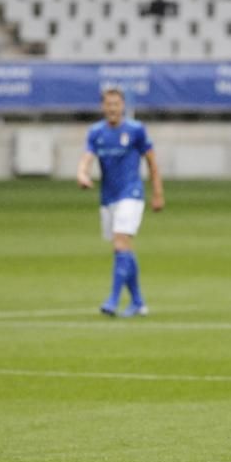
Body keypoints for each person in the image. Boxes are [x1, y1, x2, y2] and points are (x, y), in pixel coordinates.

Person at [76, 87, 164, 317]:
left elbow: (152, 162)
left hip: (131, 194)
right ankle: (138, 301)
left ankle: (112, 300)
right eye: (108, 104)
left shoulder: (136, 130)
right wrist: (82, 174)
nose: (112, 108)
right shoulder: (96, 132)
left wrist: (157, 193)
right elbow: (87, 157)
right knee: (122, 249)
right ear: (103, 106)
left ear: (123, 106)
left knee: (120, 243)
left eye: (116, 104)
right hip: (108, 198)